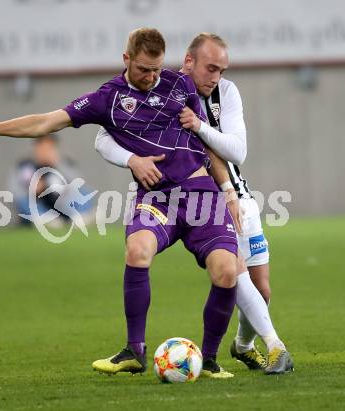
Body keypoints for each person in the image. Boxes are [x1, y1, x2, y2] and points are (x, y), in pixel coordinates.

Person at [0, 28, 241, 379]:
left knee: (226, 271)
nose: (152, 78)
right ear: (126, 59)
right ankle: (134, 350)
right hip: (158, 198)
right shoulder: (107, 99)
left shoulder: (180, 86)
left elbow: (206, 140)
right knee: (137, 250)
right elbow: (45, 121)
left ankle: (208, 360)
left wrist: (228, 189)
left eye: (157, 69)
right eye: (144, 69)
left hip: (202, 195)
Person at [95, 33, 294, 374]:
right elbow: (105, 135)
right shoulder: (164, 89)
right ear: (189, 63)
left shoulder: (226, 93)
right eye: (210, 68)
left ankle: (244, 345)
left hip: (238, 196)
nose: (216, 76)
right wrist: (133, 159)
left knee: (262, 289)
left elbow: (235, 151)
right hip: (196, 196)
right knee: (233, 270)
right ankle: (275, 347)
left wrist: (199, 126)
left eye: (221, 69)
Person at [9, 134, 94, 227]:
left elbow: (76, 182)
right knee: (23, 199)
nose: (45, 151)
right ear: (36, 148)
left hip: (60, 203)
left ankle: (81, 217)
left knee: (83, 191)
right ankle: (44, 219)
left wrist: (56, 165)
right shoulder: (26, 165)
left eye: (49, 147)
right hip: (38, 204)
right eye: (42, 147)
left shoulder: (64, 164)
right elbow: (18, 189)